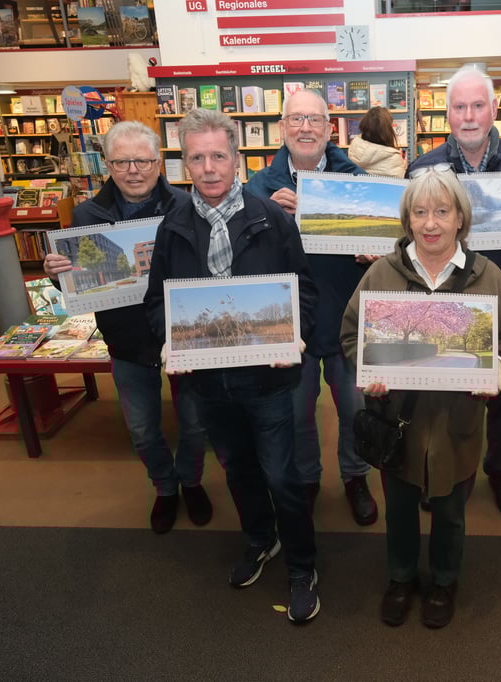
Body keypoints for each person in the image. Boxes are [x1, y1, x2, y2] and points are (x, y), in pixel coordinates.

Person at [143, 108, 321, 623]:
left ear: (237, 159)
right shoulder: (171, 228)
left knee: (283, 475)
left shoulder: (274, 219)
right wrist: (169, 340)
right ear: (184, 164)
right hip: (208, 384)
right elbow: (158, 302)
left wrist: (294, 334)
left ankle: (303, 565)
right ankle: (261, 540)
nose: (209, 167)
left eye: (218, 155)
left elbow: (302, 291)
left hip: (269, 380)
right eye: (196, 158)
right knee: (238, 471)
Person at [340, 167, 501, 629]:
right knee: (400, 508)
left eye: (442, 211)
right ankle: (401, 578)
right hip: (397, 418)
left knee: (450, 510)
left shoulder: (488, 276)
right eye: (420, 212)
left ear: (461, 217)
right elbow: (350, 335)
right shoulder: (382, 272)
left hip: (457, 420)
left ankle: (444, 581)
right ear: (407, 219)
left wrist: (498, 362)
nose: (430, 223)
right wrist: (369, 372)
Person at [43, 120, 209, 535]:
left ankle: (191, 482)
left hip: (182, 335)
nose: (133, 170)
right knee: (141, 428)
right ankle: (165, 487)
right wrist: (56, 273)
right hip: (127, 340)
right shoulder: (86, 214)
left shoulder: (186, 206)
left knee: (195, 423)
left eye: (143, 160)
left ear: (159, 163)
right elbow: (81, 280)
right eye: (122, 162)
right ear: (108, 165)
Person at [407, 65, 501, 518]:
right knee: (443, 398)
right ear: (446, 113)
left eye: (477, 105)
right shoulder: (422, 170)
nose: (468, 115)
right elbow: (408, 242)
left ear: (494, 109)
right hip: (444, 307)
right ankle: (442, 472)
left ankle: (500, 471)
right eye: (458, 106)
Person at [246, 89, 379, 526]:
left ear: (329, 128)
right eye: (296, 119)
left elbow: (385, 242)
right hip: (289, 323)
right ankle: (307, 480)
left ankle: (355, 476)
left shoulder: (357, 180)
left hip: (346, 317)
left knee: (354, 410)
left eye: (315, 120)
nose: (306, 128)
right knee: (298, 412)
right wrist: (272, 219)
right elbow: (247, 256)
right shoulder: (259, 187)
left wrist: (372, 249)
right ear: (282, 128)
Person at [347, 106, 407, 178]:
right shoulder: (393, 159)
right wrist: (403, 168)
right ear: (387, 131)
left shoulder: (354, 147)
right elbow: (400, 186)